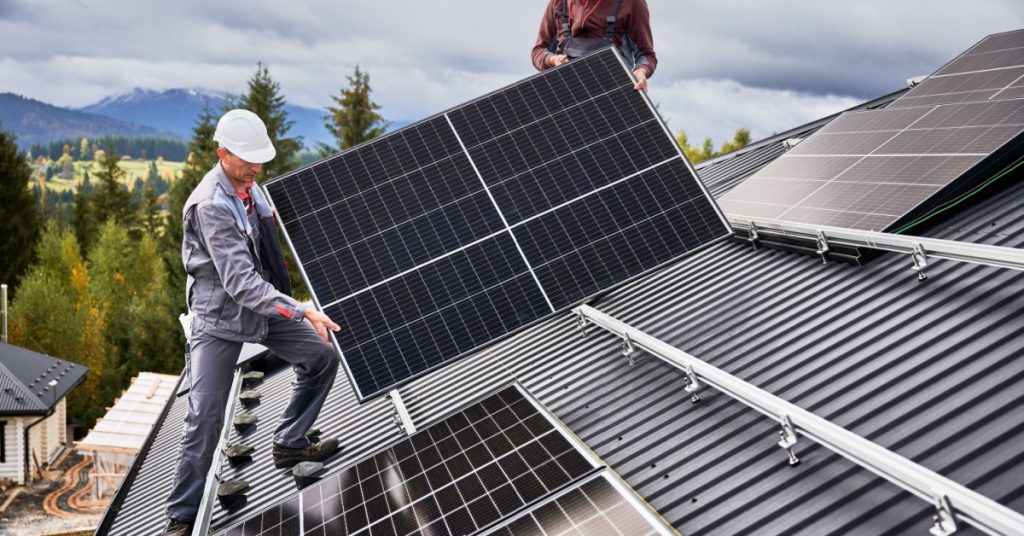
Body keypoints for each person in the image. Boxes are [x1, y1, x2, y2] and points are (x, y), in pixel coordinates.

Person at [163, 109, 342, 535]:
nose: (257, 168)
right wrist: (299, 308)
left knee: (320, 356)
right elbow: (241, 284)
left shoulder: (252, 189)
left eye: (260, 159)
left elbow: (271, 246)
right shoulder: (210, 206)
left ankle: (290, 443)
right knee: (204, 417)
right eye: (248, 160)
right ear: (222, 153)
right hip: (220, 320)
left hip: (261, 309)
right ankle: (181, 517)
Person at [531, 0, 657, 91]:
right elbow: (539, 51)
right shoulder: (559, 3)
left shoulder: (632, 3)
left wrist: (641, 72)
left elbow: (646, 55)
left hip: (615, 98)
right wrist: (553, 60)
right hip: (565, 98)